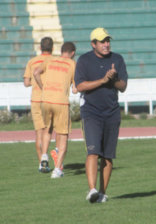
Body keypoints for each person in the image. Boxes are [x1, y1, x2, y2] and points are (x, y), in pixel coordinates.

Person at [75, 27, 128, 203]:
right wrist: (103, 80)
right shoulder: (83, 60)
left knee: (107, 155)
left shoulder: (117, 59)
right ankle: (92, 189)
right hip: (91, 112)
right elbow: (80, 86)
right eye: (102, 41)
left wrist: (113, 79)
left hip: (112, 112)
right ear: (93, 44)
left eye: (108, 41)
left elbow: (123, 87)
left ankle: (102, 193)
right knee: (93, 152)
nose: (106, 44)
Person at [33, 41, 77, 178]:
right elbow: (75, 89)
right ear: (73, 53)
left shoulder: (50, 60)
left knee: (47, 129)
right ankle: (57, 169)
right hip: (61, 102)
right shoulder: (72, 64)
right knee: (63, 135)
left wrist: (43, 87)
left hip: (45, 100)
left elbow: (36, 73)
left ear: (61, 50)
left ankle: (44, 157)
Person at [23, 37, 59, 171]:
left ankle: (42, 163)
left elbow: (26, 83)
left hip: (36, 100)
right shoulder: (56, 61)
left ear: (40, 48)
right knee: (52, 131)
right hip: (51, 99)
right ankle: (56, 158)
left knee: (39, 132)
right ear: (53, 48)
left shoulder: (32, 61)